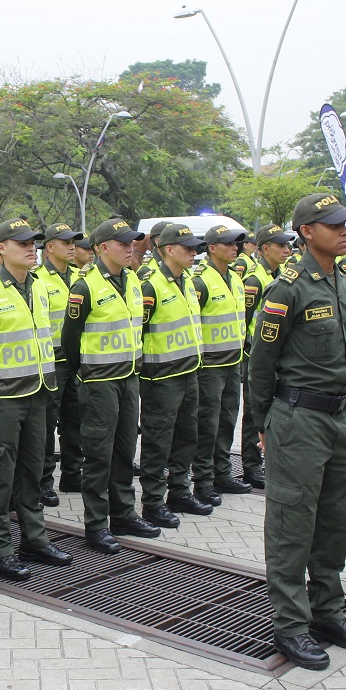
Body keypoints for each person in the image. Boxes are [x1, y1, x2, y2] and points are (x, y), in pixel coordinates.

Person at [247, 193, 346, 671]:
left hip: (340, 417)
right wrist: (264, 424)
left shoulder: (342, 280)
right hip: (298, 421)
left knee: (335, 521)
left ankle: (327, 610)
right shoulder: (287, 289)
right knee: (291, 525)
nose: (345, 231)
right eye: (334, 224)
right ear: (307, 232)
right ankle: (291, 624)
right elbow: (261, 366)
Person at [0, 218, 72, 580]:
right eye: (22, 243)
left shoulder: (37, 288)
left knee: (32, 473)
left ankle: (34, 541)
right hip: (0, 401)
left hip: (36, 396)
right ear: (1, 248)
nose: (31, 248)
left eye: (33, 243)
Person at [61, 218, 159, 553]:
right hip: (99, 382)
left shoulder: (132, 280)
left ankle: (123, 513)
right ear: (103, 248)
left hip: (128, 379)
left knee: (124, 451)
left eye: (132, 242)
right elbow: (70, 339)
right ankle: (96, 523)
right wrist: (84, 375)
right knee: (99, 456)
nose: (130, 248)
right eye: (122, 243)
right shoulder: (84, 287)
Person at [136, 223, 206, 526]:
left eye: (195, 248)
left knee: (186, 437)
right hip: (161, 378)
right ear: (168, 250)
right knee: (158, 442)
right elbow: (137, 330)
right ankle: (153, 501)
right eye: (187, 248)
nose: (193, 253)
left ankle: (180, 490)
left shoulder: (187, 280)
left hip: (188, 372)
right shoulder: (151, 285)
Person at [191, 224, 251, 508]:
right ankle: (203, 480)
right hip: (209, 366)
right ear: (212, 248)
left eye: (236, 244)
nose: (235, 248)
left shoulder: (236, 278)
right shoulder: (200, 281)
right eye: (228, 244)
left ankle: (222, 473)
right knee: (208, 423)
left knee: (227, 420)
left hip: (232, 362)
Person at [237, 223, 293, 491]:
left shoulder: (281, 276)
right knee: (254, 414)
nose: (286, 249)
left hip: (278, 355)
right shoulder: (254, 280)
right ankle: (251, 465)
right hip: (255, 355)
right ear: (264, 249)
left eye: (287, 245)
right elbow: (246, 321)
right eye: (280, 245)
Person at [33, 222, 84, 501]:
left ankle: (72, 475)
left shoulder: (80, 277)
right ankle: (44, 480)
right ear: (49, 247)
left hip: (75, 361)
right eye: (66, 242)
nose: (72, 246)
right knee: (46, 423)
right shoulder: (37, 279)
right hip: (51, 362)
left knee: (74, 421)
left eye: (73, 241)